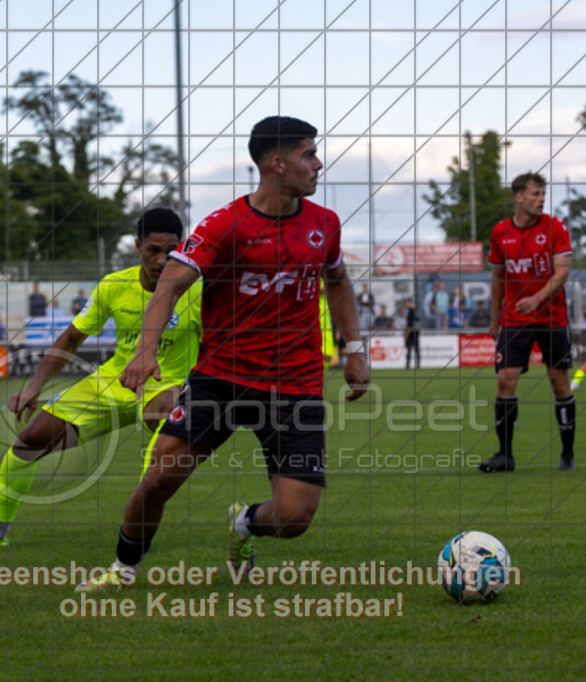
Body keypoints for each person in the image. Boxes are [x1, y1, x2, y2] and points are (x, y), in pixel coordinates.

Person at [76, 116, 370, 592]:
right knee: (158, 482)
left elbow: (337, 282)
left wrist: (353, 349)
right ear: (277, 164)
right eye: (308, 154)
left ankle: (244, 525)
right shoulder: (224, 225)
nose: (318, 164)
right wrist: (145, 353)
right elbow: (168, 289)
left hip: (295, 384)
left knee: (294, 518)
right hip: (222, 378)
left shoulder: (325, 224)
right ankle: (122, 570)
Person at [0, 207, 201, 550]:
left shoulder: (200, 290)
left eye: (170, 251)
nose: (161, 260)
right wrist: (34, 386)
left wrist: (192, 386)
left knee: (157, 441)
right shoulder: (114, 286)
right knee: (28, 442)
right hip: (113, 382)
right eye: (153, 251)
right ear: (137, 247)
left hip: (169, 384)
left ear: (183, 247)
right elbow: (71, 338)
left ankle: (131, 551)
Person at [480, 173, 576, 473]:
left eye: (543, 194)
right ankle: (505, 456)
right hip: (514, 319)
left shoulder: (555, 227)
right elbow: (497, 277)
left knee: (559, 385)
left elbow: (562, 274)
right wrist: (495, 317)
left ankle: (567, 455)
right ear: (518, 197)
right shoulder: (500, 232)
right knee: (504, 381)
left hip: (552, 318)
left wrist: (536, 299)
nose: (541, 199)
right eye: (535, 194)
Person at [403, 298, 420, 369]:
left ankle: (408, 366)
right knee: (416, 350)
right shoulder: (414, 311)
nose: (406, 304)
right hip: (415, 332)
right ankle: (417, 366)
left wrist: (406, 334)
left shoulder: (411, 312)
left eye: (407, 303)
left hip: (412, 333)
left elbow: (409, 325)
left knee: (410, 350)